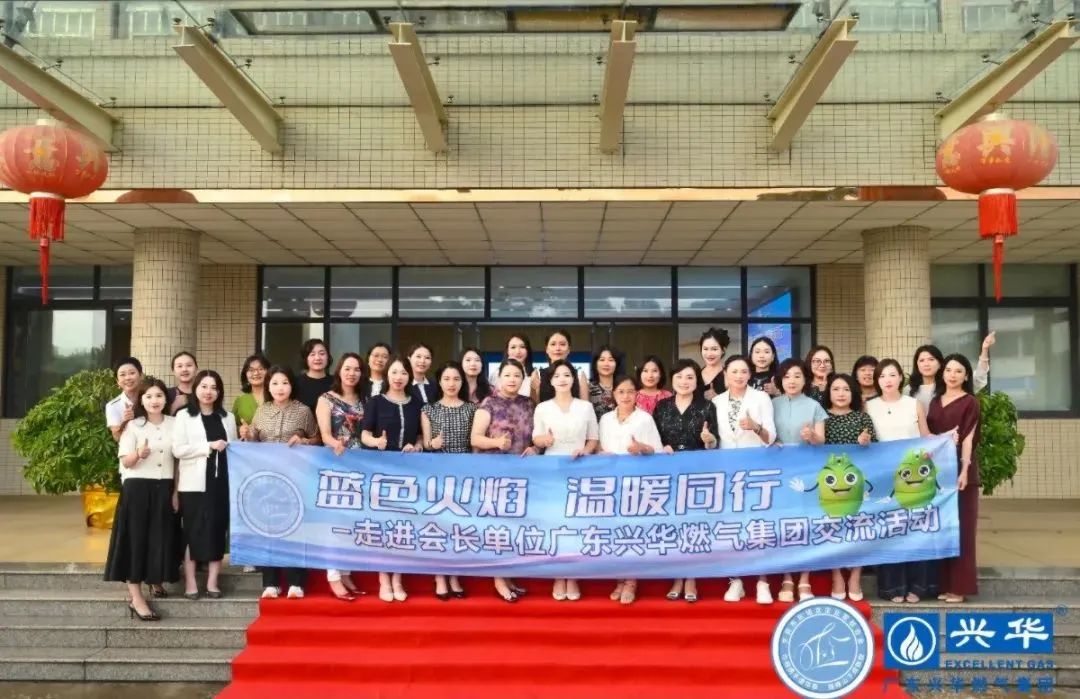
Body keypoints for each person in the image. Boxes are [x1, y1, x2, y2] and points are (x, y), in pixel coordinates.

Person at [104, 378, 180, 621]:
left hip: (164, 487)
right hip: (137, 488)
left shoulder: (175, 424)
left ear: (166, 399)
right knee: (135, 541)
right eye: (148, 396)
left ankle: (155, 580)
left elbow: (178, 461)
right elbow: (126, 462)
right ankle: (136, 598)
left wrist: (175, 492)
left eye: (159, 396)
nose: (154, 401)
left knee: (160, 537)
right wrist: (138, 453)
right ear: (141, 400)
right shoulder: (133, 426)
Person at [248, 366, 319, 600]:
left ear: (292, 385)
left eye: (285, 382)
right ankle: (270, 582)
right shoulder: (261, 411)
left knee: (294, 528)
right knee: (268, 528)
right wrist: (248, 434)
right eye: (275, 383)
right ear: (268, 387)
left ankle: (296, 582)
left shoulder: (303, 411)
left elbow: (317, 438)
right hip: (267, 479)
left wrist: (304, 441)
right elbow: (254, 441)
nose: (280, 388)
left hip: (295, 478)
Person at [866, 359, 933, 604]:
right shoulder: (869, 405)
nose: (888, 380)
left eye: (892, 374)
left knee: (916, 531)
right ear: (877, 380)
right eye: (882, 375)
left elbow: (926, 436)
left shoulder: (913, 404)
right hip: (883, 477)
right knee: (889, 532)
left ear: (900, 378)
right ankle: (892, 587)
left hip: (913, 477)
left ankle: (918, 586)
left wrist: (946, 441)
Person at [533, 359, 599, 602]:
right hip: (552, 471)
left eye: (567, 375)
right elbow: (536, 438)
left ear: (573, 379)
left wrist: (586, 451)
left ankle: (573, 575)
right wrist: (544, 441)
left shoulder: (585, 407)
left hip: (580, 469)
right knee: (555, 523)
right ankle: (558, 574)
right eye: (557, 375)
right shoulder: (543, 408)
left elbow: (593, 439)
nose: (562, 379)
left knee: (577, 524)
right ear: (550, 381)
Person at [472, 358, 537, 603]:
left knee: (514, 528)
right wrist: (496, 443)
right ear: (499, 378)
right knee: (497, 528)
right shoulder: (488, 403)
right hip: (494, 475)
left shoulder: (528, 404)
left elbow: (535, 437)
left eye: (517, 375)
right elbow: (475, 438)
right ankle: (498, 578)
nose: (512, 379)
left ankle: (508, 575)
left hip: (522, 476)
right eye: (507, 375)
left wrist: (535, 448)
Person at [652, 359, 717, 604]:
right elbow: (654, 438)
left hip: (698, 473)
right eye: (679, 376)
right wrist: (661, 447)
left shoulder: (707, 406)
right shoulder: (662, 406)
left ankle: (691, 576)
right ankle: (677, 575)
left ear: (697, 381)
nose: (684, 381)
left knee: (693, 525)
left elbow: (715, 443)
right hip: (668, 473)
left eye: (690, 377)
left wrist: (709, 439)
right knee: (674, 525)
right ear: (672, 379)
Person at [361, 355, 424, 603]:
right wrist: (376, 441)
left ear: (410, 376)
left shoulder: (416, 403)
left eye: (404, 373)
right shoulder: (376, 402)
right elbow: (364, 434)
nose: (399, 377)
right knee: (382, 527)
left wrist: (416, 446)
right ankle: (383, 579)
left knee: (401, 528)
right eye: (395, 372)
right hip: (381, 471)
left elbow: (420, 435)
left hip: (408, 473)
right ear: (387, 374)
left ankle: (397, 578)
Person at [713, 356, 775, 604]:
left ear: (750, 374)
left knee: (758, 525)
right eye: (734, 371)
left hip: (757, 470)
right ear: (725, 374)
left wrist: (755, 427)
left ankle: (762, 581)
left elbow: (770, 438)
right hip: (727, 472)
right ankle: (735, 580)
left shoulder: (761, 398)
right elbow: (716, 440)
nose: (739, 376)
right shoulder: (716, 401)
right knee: (732, 526)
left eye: (743, 371)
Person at [597, 374, 663, 605]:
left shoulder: (644, 419)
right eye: (621, 391)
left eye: (630, 391)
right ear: (613, 394)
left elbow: (656, 450)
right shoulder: (605, 419)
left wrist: (640, 447)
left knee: (632, 532)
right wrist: (600, 453)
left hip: (636, 483)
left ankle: (632, 580)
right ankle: (619, 578)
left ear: (637, 394)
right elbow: (599, 446)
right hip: (610, 484)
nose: (625, 396)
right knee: (615, 532)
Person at [173, 370, 237, 601]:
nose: (208, 392)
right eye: (204, 386)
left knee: (217, 530)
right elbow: (178, 450)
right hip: (193, 484)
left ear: (219, 392)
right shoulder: (183, 416)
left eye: (214, 387)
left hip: (221, 483)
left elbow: (234, 448)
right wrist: (208, 446)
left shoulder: (227, 417)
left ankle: (212, 581)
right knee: (193, 531)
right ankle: (190, 582)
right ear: (196, 389)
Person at [771, 358, 827, 603]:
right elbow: (766, 436)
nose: (791, 381)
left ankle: (804, 578)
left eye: (797, 376)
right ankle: (786, 577)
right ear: (780, 380)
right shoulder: (772, 404)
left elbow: (821, 441)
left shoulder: (814, 406)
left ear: (805, 379)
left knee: (806, 524)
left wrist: (811, 435)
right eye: (786, 376)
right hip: (778, 472)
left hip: (807, 471)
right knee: (784, 523)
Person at [422, 361, 478, 601]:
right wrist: (432, 444)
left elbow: (474, 443)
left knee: (458, 527)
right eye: (446, 379)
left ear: (462, 382)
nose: (451, 383)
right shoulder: (429, 409)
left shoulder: (472, 409)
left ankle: (454, 574)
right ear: (439, 381)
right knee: (439, 526)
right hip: (438, 474)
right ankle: (439, 576)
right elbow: (426, 443)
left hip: (464, 474)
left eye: (456, 379)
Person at [927, 354, 981, 604]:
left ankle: (960, 587)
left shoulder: (970, 402)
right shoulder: (935, 401)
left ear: (966, 375)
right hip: (938, 472)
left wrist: (964, 470)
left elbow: (968, 438)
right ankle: (945, 585)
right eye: (948, 370)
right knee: (943, 530)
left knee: (963, 530)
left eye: (959, 371)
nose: (952, 375)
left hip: (961, 471)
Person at [316, 353, 365, 601]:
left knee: (351, 523)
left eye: (356, 369)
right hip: (335, 465)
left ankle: (346, 573)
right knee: (334, 523)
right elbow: (325, 434)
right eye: (347, 368)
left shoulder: (365, 400)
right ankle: (333, 575)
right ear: (339, 370)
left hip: (361, 467)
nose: (351, 373)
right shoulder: (326, 399)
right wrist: (336, 444)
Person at [822, 373, 876, 602]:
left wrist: (866, 443)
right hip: (831, 486)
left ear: (853, 392)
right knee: (832, 528)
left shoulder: (863, 418)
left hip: (856, 484)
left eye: (845, 389)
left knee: (858, 528)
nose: (841, 394)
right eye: (836, 389)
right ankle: (837, 576)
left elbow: (877, 450)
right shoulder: (821, 416)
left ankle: (855, 575)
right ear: (829, 393)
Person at [910, 335, 993, 412]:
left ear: (940, 364)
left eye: (931, 359)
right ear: (917, 364)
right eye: (921, 360)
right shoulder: (909, 389)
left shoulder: (951, 384)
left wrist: (985, 349)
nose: (926, 364)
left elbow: (980, 377)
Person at [531, 329, 589, 403]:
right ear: (547, 349)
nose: (558, 348)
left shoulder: (579, 375)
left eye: (562, 344)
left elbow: (585, 405)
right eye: (553, 344)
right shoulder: (538, 375)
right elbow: (535, 405)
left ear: (569, 349)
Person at [107, 357, 144, 442]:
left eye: (132, 373)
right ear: (117, 381)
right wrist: (125, 422)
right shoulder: (113, 406)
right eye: (122, 375)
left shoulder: (151, 398)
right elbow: (117, 438)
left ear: (141, 375)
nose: (127, 378)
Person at [233, 353, 270, 438]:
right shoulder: (240, 401)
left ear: (268, 371)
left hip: (273, 444)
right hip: (248, 445)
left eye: (261, 369)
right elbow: (232, 426)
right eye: (251, 370)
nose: (256, 373)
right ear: (245, 374)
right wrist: (242, 430)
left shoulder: (276, 397)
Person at [294, 338, 334, 414]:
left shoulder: (336, 383)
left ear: (328, 357)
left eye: (322, 354)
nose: (317, 358)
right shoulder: (295, 383)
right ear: (306, 359)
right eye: (312, 354)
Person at [588, 345, 623, 422]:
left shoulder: (623, 388)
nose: (606, 364)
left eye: (611, 360)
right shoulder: (588, 389)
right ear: (595, 364)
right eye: (602, 360)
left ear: (617, 364)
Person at [699, 327, 730, 400]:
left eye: (714, 349)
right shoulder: (695, 375)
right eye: (705, 349)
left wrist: (717, 398)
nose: (709, 354)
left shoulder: (729, 375)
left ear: (723, 350)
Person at [502, 334, 534, 398]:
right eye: (513, 347)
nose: (518, 351)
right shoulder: (496, 374)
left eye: (522, 347)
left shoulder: (535, 375)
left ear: (528, 350)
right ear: (507, 351)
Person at [166, 352, 198, 416]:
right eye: (179, 366)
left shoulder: (205, 393)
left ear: (196, 369)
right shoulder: (166, 394)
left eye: (189, 365)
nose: (184, 369)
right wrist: (174, 406)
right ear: (173, 371)